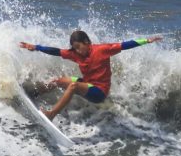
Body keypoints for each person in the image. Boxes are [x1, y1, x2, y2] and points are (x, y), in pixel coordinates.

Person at [19, 30, 162, 120]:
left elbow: (125, 45)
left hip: (99, 91)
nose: (77, 51)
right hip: (87, 83)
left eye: (79, 47)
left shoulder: (102, 50)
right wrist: (36, 47)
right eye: (74, 48)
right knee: (58, 80)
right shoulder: (75, 54)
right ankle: (34, 94)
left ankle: (51, 114)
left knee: (73, 86)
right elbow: (55, 51)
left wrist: (146, 41)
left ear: (86, 42)